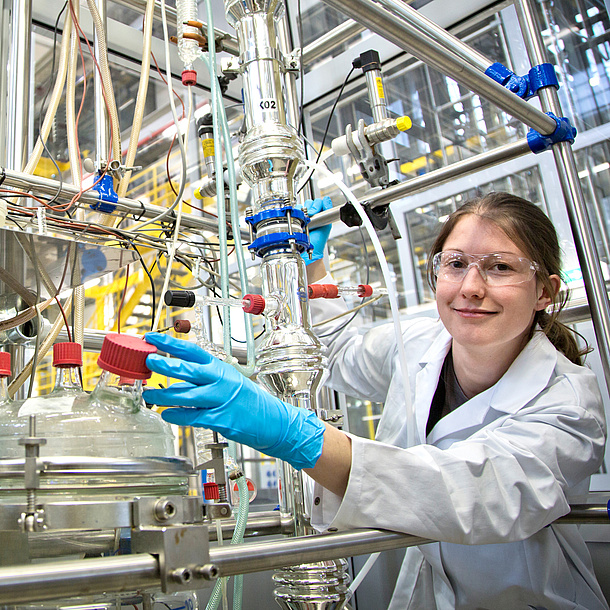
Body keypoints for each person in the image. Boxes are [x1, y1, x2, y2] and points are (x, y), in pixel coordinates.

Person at [143, 192, 608, 610]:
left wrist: (295, 435)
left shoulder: (570, 401)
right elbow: (337, 350)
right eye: (456, 263)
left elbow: (473, 494)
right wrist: (311, 264)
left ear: (544, 291)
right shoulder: (419, 344)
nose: (471, 286)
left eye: (500, 267)